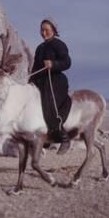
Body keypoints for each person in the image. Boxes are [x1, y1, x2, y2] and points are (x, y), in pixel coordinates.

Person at [29, 18, 72, 154]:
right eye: (42, 30)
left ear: (53, 30)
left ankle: (64, 136)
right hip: (41, 81)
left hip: (56, 81)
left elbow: (67, 62)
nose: (43, 32)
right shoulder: (39, 48)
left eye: (46, 30)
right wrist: (30, 82)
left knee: (48, 104)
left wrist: (53, 64)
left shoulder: (59, 45)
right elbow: (35, 68)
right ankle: (45, 137)